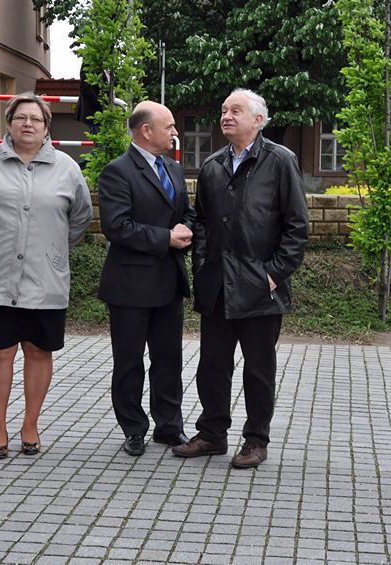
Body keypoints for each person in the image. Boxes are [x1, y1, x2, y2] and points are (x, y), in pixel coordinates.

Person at [172, 89, 309, 469]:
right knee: (212, 364)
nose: (226, 116)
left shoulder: (281, 161)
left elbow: (297, 228)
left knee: (258, 367)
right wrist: (201, 268)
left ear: (258, 120)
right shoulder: (213, 165)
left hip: (260, 287)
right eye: (223, 110)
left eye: (236, 110)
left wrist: (273, 275)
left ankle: (255, 439)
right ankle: (213, 433)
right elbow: (200, 224)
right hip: (217, 284)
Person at [0, 92, 94, 459]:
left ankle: (30, 425)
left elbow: (80, 216)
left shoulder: (67, 167)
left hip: (44, 278)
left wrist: (52, 248)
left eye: (36, 119)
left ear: (47, 127)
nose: (28, 124)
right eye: (21, 118)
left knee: (38, 351)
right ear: (9, 123)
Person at [97, 100, 194, 457]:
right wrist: (165, 238)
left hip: (168, 281)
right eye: (169, 126)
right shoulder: (117, 172)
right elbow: (117, 226)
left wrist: (187, 230)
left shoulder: (172, 167)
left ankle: (169, 428)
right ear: (146, 131)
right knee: (129, 362)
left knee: (168, 360)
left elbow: (186, 212)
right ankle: (134, 429)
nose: (175, 132)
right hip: (130, 286)